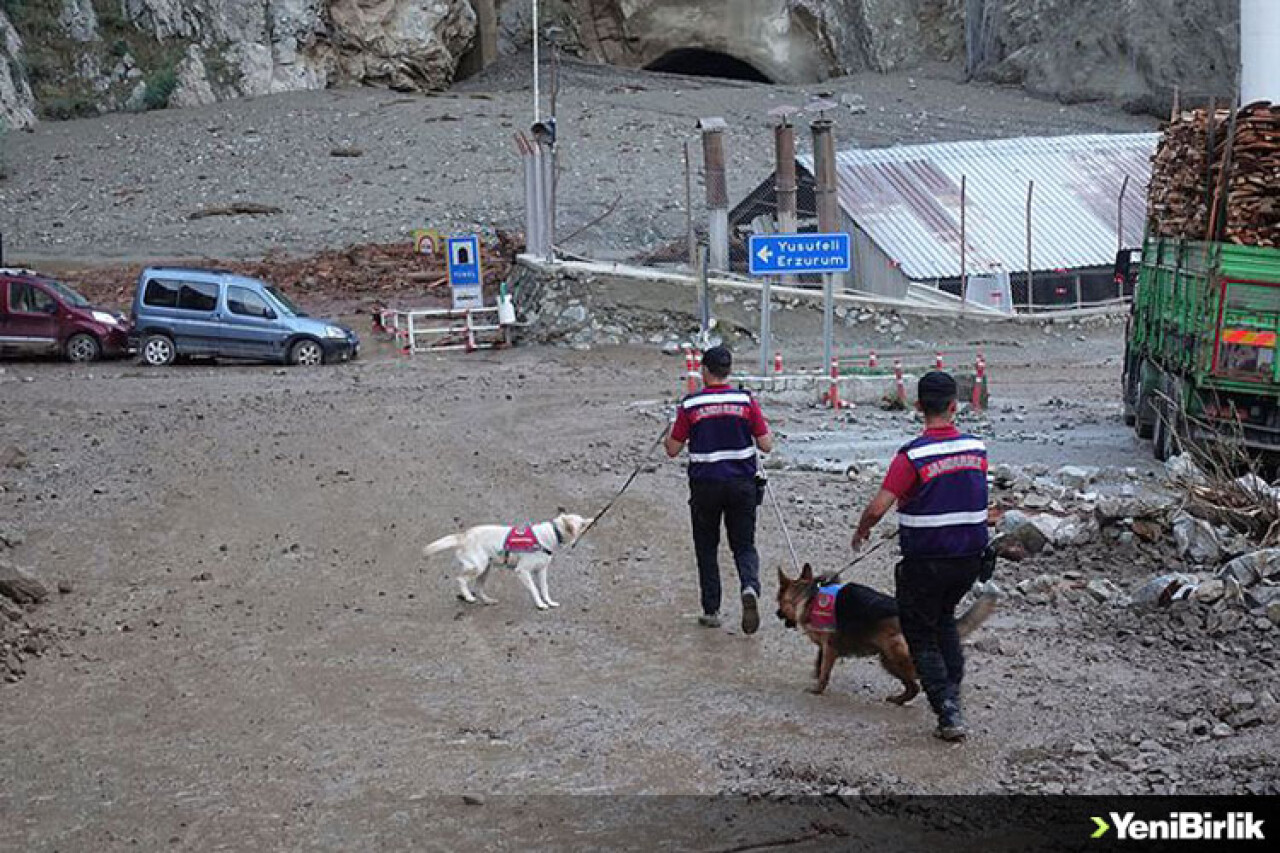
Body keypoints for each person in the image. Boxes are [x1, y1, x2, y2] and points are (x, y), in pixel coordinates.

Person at [851, 371, 988, 742]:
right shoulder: (977, 449)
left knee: (921, 634)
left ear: (917, 408)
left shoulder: (911, 455)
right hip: (970, 558)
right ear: (954, 407)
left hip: (926, 562)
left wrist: (862, 529)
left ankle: (946, 709)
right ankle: (953, 693)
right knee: (944, 620)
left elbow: (880, 506)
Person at [665, 345, 774, 633]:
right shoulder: (746, 401)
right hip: (742, 485)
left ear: (703, 371)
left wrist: (671, 427)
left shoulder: (691, 405)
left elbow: (672, 450)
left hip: (705, 485)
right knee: (744, 544)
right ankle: (749, 586)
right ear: (728, 371)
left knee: (706, 547)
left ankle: (711, 609)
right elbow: (766, 445)